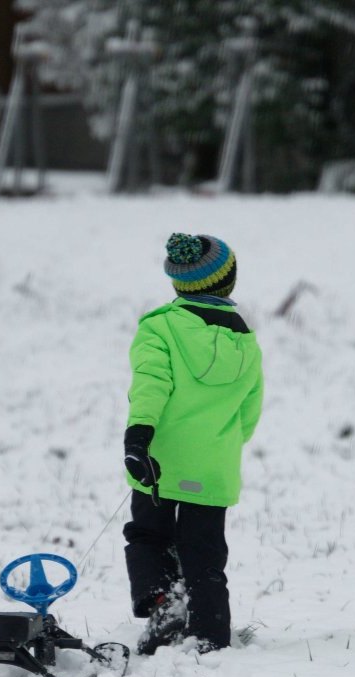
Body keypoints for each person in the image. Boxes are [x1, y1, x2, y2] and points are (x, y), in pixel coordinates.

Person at [122, 233, 264, 655]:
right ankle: (210, 632)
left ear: (178, 283)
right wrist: (221, 446)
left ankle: (164, 605)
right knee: (204, 553)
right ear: (228, 282)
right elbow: (249, 410)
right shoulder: (245, 340)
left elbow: (151, 386)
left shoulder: (160, 328)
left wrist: (138, 437)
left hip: (159, 462)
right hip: (214, 466)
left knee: (148, 535)